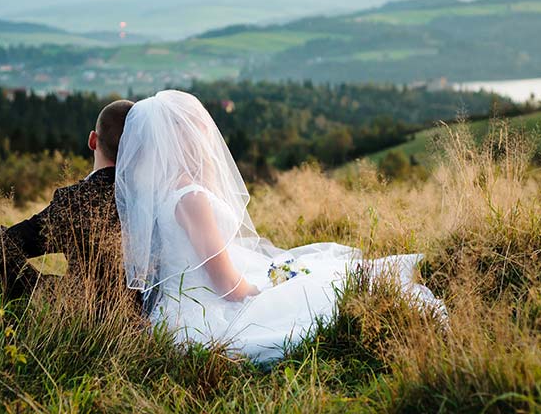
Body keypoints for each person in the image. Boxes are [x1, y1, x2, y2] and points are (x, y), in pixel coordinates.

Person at [114, 90, 447, 363]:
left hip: (176, 308)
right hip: (205, 313)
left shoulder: (160, 193)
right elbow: (227, 286)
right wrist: (269, 290)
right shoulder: (190, 197)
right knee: (315, 294)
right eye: (200, 131)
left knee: (317, 278)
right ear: (184, 139)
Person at [0, 99, 135, 304]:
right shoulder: (154, 199)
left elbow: (10, 243)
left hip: (81, 311)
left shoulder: (76, 200)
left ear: (92, 140)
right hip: (136, 315)